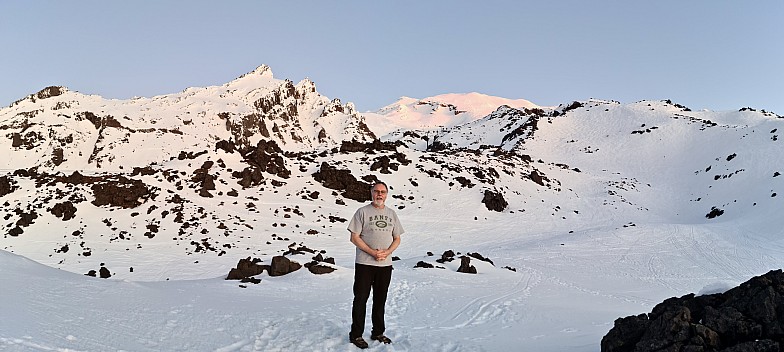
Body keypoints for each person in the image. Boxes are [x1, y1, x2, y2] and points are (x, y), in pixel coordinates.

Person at [347, 181, 404, 349]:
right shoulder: (362, 212)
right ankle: (356, 335)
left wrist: (387, 252)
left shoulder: (392, 214)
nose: (380, 194)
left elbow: (397, 238)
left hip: (385, 265)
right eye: (376, 191)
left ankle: (378, 332)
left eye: (383, 191)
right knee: (360, 299)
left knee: (380, 300)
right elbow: (354, 237)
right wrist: (372, 252)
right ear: (371, 193)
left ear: (386, 194)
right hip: (365, 264)